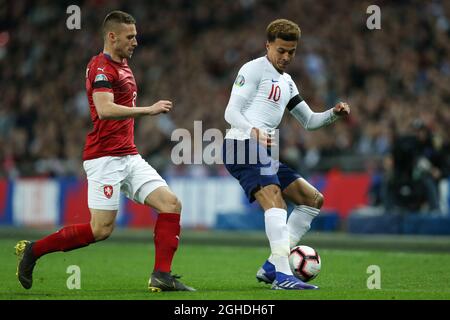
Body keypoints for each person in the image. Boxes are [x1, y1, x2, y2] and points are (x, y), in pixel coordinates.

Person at [15, 10, 195, 292]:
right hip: (104, 158)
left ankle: (162, 275)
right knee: (101, 230)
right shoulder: (101, 67)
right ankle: (34, 250)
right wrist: (147, 110)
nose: (136, 41)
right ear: (112, 37)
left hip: (129, 156)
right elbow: (104, 109)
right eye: (130, 37)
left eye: (136, 36)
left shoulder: (124, 65)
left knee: (171, 204)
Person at [222, 19, 350, 290]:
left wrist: (333, 115)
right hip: (241, 145)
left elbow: (310, 121)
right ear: (267, 45)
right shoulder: (253, 69)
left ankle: (271, 266)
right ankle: (283, 276)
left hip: (262, 151)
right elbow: (230, 112)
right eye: (281, 50)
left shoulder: (288, 82)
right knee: (276, 204)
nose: (286, 57)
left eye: (291, 51)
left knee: (312, 200)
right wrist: (252, 129)